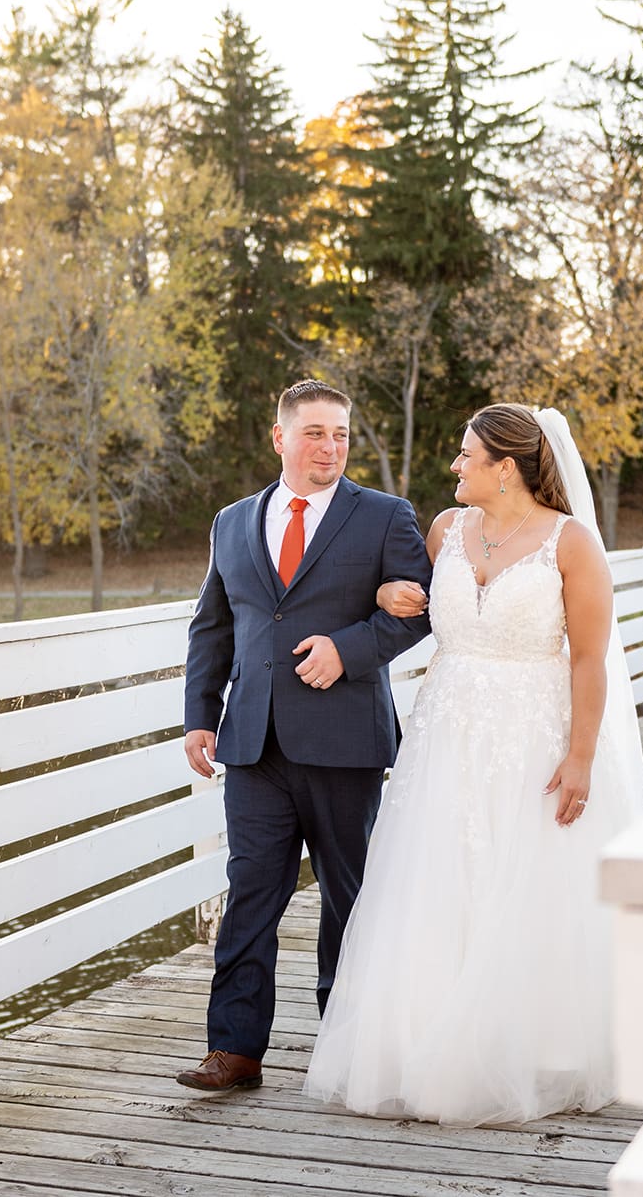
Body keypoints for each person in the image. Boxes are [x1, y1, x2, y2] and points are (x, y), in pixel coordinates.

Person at [302, 402, 643, 1126]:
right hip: (446, 735)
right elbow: (407, 604)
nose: (455, 466)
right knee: (439, 880)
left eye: (466, 456)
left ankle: (535, 1048)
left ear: (506, 468)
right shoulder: (445, 531)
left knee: (526, 882)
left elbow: (589, 658)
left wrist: (581, 755)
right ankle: (421, 1044)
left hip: (536, 736)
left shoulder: (571, 544)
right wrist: (383, 592)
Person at [178, 379, 433, 1092]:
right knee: (250, 891)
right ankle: (233, 1050)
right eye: (317, 433)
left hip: (345, 740)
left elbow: (419, 610)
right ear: (281, 437)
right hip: (252, 743)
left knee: (350, 897)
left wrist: (346, 651)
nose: (331, 447)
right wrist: (200, 714)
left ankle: (349, 1043)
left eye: (342, 433)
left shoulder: (384, 516)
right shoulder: (232, 521)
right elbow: (214, 624)